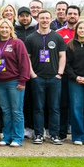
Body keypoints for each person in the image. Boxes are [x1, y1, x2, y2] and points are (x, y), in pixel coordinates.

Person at [25, 11, 67, 145]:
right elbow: (27, 59)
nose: (44, 20)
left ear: (50, 19)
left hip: (54, 79)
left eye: (47, 18)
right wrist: (33, 75)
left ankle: (54, 135)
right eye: (42, 18)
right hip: (38, 78)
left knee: (54, 107)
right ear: (37, 19)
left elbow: (62, 56)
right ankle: (38, 134)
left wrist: (59, 73)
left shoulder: (57, 37)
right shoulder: (31, 38)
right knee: (38, 107)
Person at [0, 19, 30, 147]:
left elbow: (24, 62)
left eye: (7, 27)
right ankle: (7, 137)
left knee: (16, 111)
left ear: (11, 29)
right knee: (6, 111)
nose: (4, 30)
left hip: (15, 82)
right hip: (0, 82)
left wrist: (23, 80)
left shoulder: (17, 43)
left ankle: (17, 138)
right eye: (2, 27)